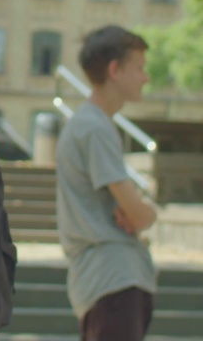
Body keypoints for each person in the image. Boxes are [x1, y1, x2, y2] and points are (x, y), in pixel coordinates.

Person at [56, 25, 158, 341]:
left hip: (109, 280)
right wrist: (148, 211)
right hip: (113, 279)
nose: (145, 77)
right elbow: (139, 215)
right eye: (139, 68)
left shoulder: (91, 124)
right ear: (115, 69)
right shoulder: (95, 127)